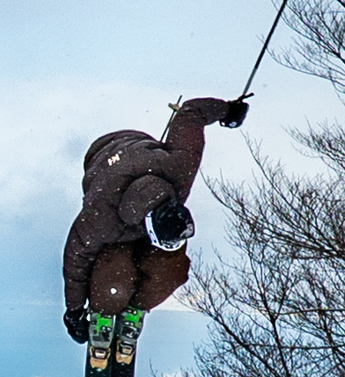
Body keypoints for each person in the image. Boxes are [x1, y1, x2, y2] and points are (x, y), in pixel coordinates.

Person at [62, 96, 248, 362]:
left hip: (146, 168)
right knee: (114, 275)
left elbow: (191, 114)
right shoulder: (100, 216)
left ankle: (134, 310)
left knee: (170, 268)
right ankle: (105, 311)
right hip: (107, 155)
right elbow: (76, 259)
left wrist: (228, 110)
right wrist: (75, 310)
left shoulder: (179, 170)